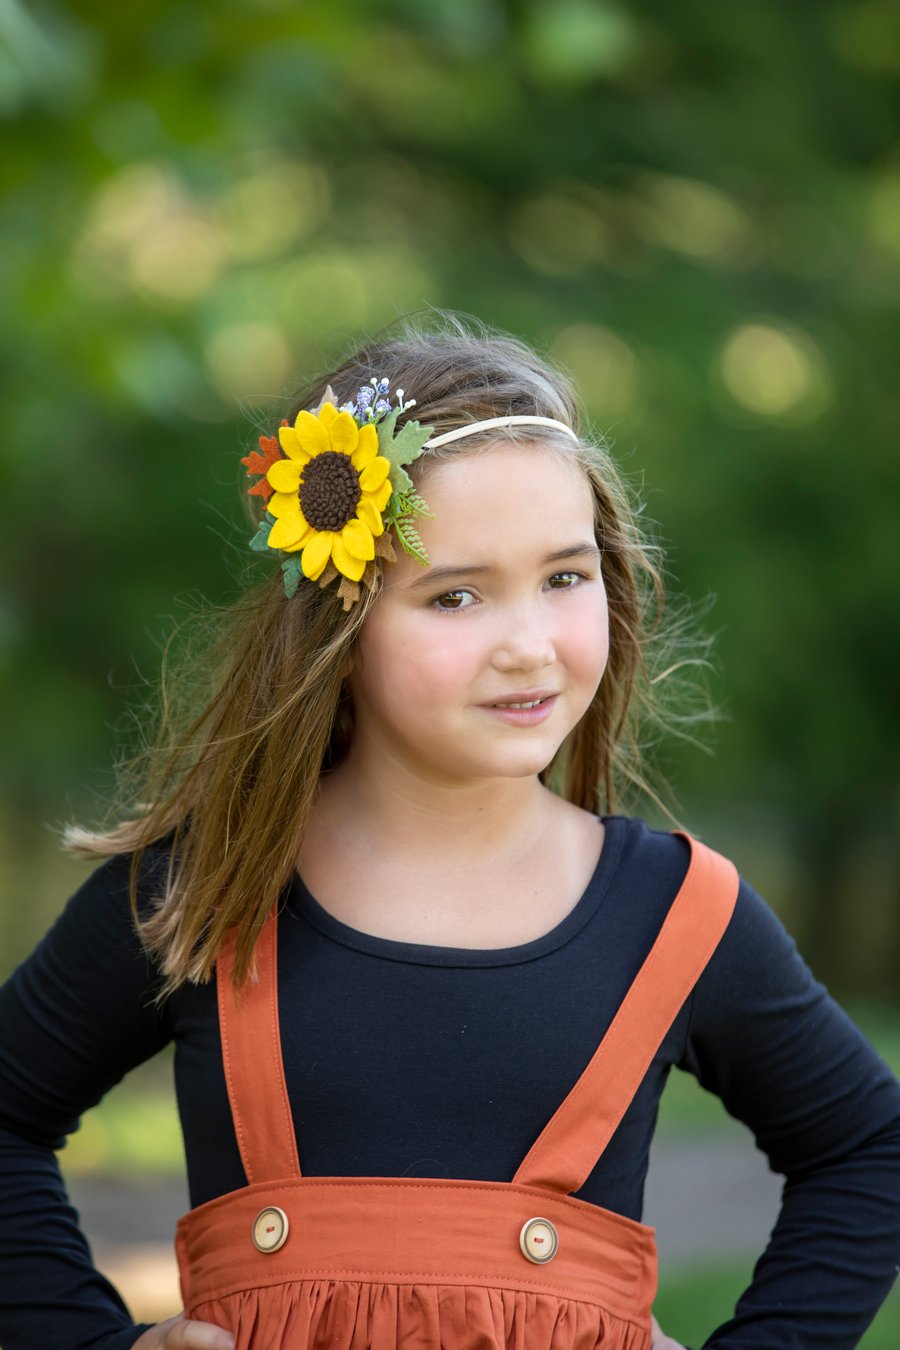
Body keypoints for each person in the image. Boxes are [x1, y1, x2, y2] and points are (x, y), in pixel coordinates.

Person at [1, 312, 899, 1350]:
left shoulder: (680, 918)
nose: (527, 646)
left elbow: (866, 1148)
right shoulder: (201, 892)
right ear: (338, 626)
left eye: (565, 578)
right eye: (456, 595)